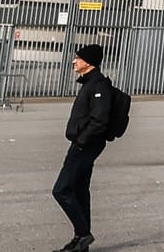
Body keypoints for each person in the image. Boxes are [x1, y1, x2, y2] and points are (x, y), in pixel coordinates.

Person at [52, 44, 112, 252]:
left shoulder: (99, 86)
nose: (74, 61)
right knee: (79, 190)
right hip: (83, 144)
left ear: (89, 62)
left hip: (85, 146)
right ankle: (81, 241)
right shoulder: (90, 84)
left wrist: (82, 140)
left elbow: (100, 120)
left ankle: (84, 234)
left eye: (78, 58)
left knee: (61, 190)